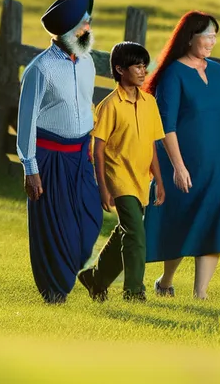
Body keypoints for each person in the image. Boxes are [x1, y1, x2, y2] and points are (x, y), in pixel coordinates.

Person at [143, 11, 220, 299]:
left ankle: (201, 294)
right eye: (207, 36)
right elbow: (166, 126)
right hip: (185, 164)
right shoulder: (174, 73)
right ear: (189, 38)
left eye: (215, 35)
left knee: (215, 225)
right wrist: (178, 167)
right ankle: (165, 282)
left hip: (217, 162)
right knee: (184, 224)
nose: (212, 41)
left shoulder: (216, 71)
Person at [18, 0, 102, 304]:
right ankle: (54, 291)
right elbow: (25, 121)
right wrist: (30, 168)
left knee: (90, 219)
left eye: (89, 23)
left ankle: (72, 273)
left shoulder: (88, 63)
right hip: (49, 159)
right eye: (84, 24)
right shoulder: (39, 69)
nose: (89, 29)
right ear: (68, 29)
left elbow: (85, 104)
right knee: (54, 229)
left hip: (81, 156)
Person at [78, 42, 165, 302]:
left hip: (141, 178)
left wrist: (159, 180)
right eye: (137, 66)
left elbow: (152, 144)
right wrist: (103, 187)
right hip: (119, 178)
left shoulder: (149, 102)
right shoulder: (109, 105)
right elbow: (99, 148)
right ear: (120, 69)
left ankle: (96, 278)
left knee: (127, 230)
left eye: (144, 66)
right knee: (137, 234)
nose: (143, 71)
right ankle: (134, 291)